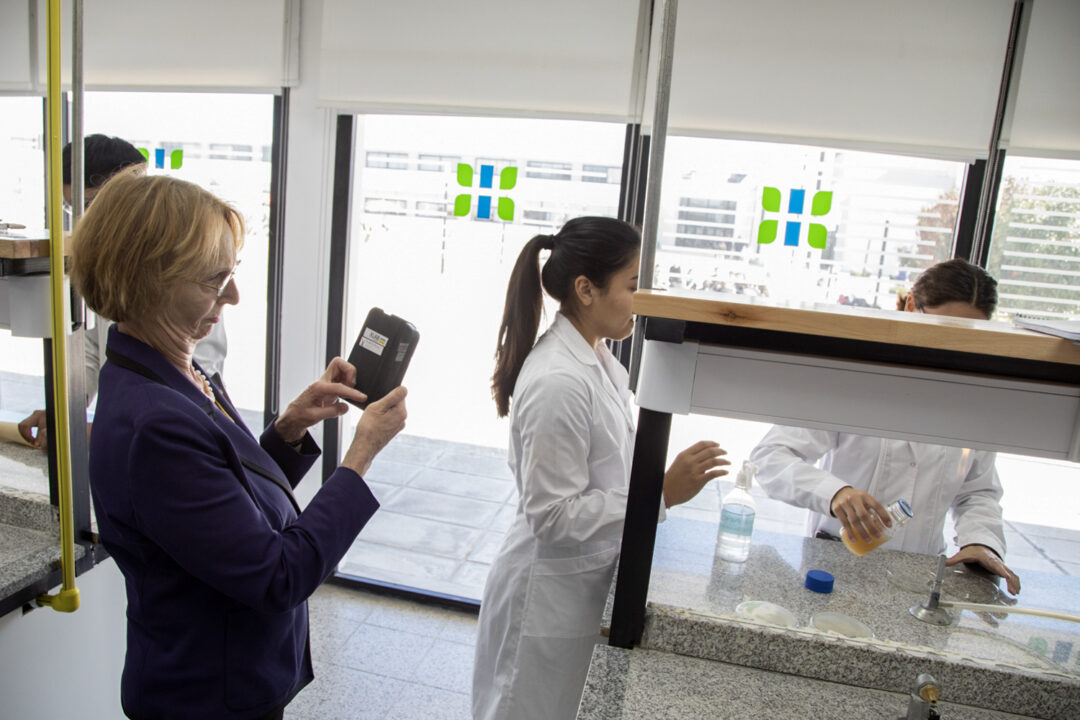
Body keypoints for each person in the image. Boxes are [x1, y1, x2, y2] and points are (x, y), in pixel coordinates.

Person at [71, 169, 408, 720]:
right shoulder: (154, 424)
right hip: (207, 695)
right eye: (213, 280)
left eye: (232, 273)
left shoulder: (177, 371)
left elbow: (218, 502)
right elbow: (277, 576)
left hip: (231, 673)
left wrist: (288, 429)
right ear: (148, 280)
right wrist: (360, 455)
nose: (233, 295)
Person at [472, 217, 730, 720]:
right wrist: (659, 494)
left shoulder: (601, 359)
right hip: (543, 593)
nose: (642, 299)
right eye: (632, 286)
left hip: (577, 585)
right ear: (586, 290)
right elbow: (551, 514)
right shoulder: (558, 381)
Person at [749, 258, 1021, 595]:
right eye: (943, 329)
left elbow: (977, 492)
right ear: (910, 306)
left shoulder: (972, 400)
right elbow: (771, 458)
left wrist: (981, 543)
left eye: (969, 336)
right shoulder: (856, 378)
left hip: (918, 578)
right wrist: (834, 493)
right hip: (836, 566)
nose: (953, 345)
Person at [17, 134, 229, 448]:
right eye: (72, 207)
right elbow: (90, 351)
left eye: (91, 204)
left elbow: (198, 379)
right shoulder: (102, 260)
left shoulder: (181, 262)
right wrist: (65, 412)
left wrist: (96, 432)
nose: (86, 220)